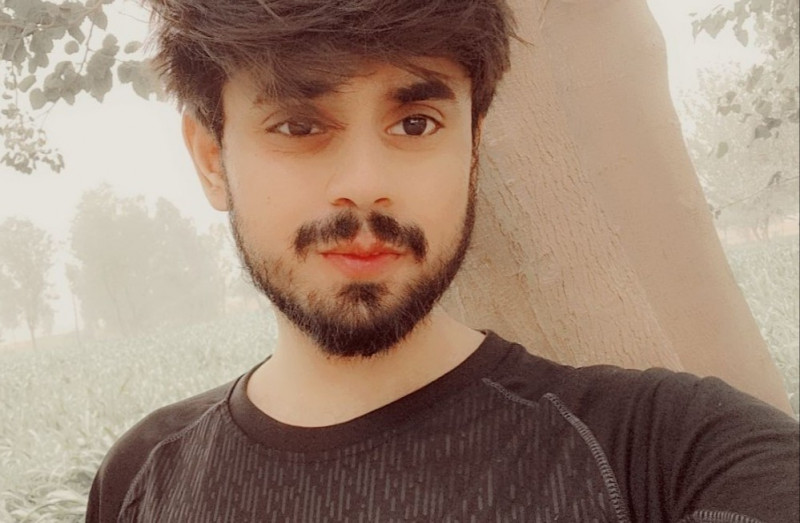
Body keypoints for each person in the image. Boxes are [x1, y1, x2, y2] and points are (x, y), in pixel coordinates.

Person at [86, 1, 799, 521]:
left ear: (472, 145)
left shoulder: (671, 451)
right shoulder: (139, 482)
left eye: (415, 123)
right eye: (299, 125)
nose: (365, 182)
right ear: (212, 160)